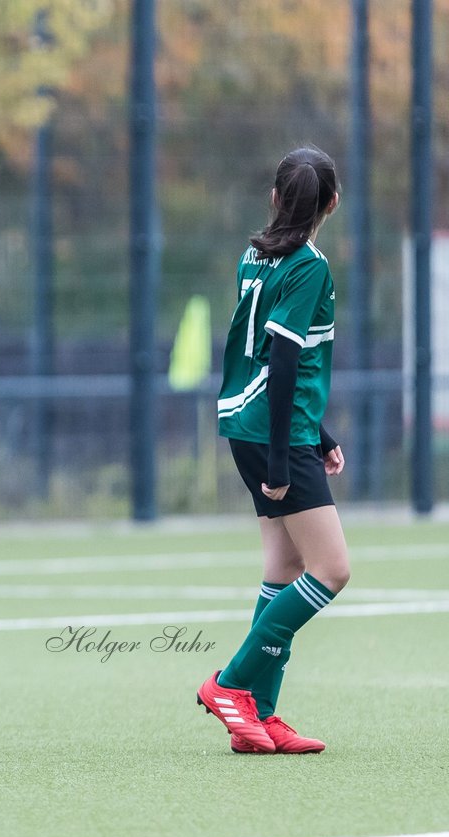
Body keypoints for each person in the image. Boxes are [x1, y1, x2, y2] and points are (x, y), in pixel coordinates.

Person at [196, 146, 349, 754]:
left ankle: (255, 717)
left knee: (281, 570)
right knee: (331, 570)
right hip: (270, 433)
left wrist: (322, 434)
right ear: (332, 204)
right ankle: (231, 686)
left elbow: (279, 359)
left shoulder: (253, 254)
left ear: (274, 198)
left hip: (250, 422)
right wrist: (289, 459)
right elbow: (283, 361)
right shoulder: (309, 266)